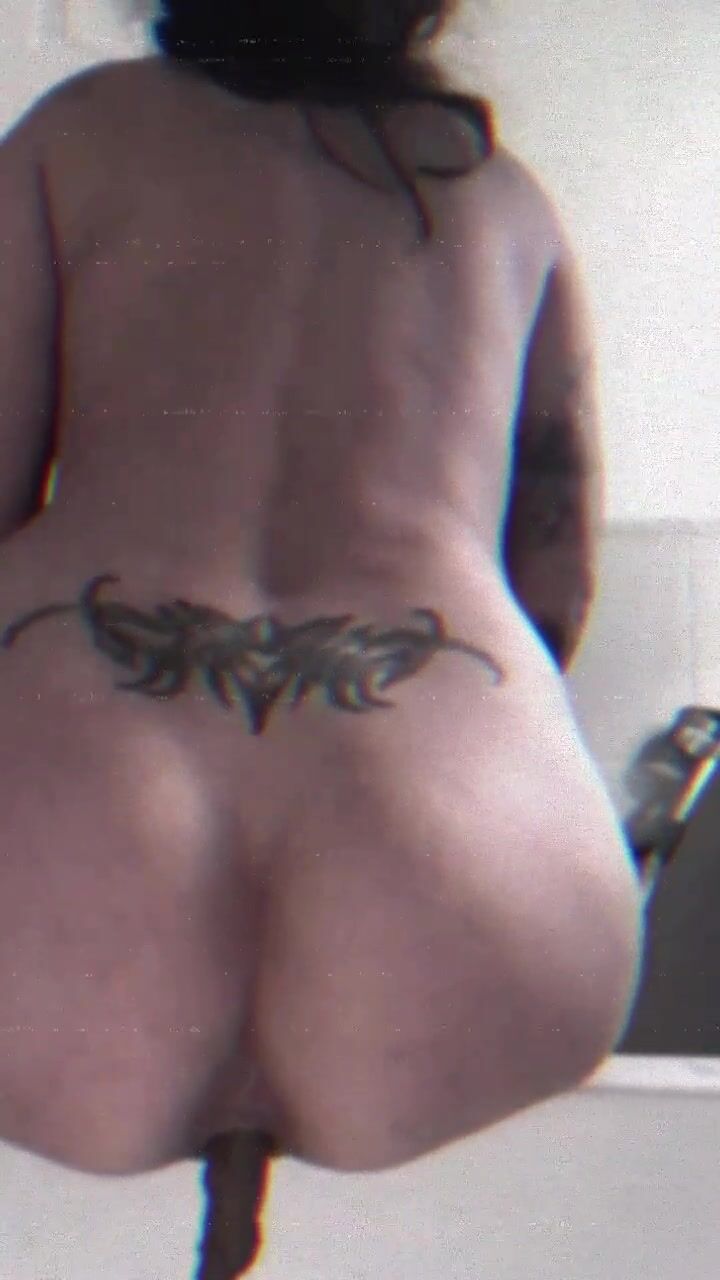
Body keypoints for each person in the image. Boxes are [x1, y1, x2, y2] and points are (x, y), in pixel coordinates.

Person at [0, 0, 644, 1186]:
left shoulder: (78, 131)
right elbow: (557, 570)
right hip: (467, 879)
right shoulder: (502, 196)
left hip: (57, 851)